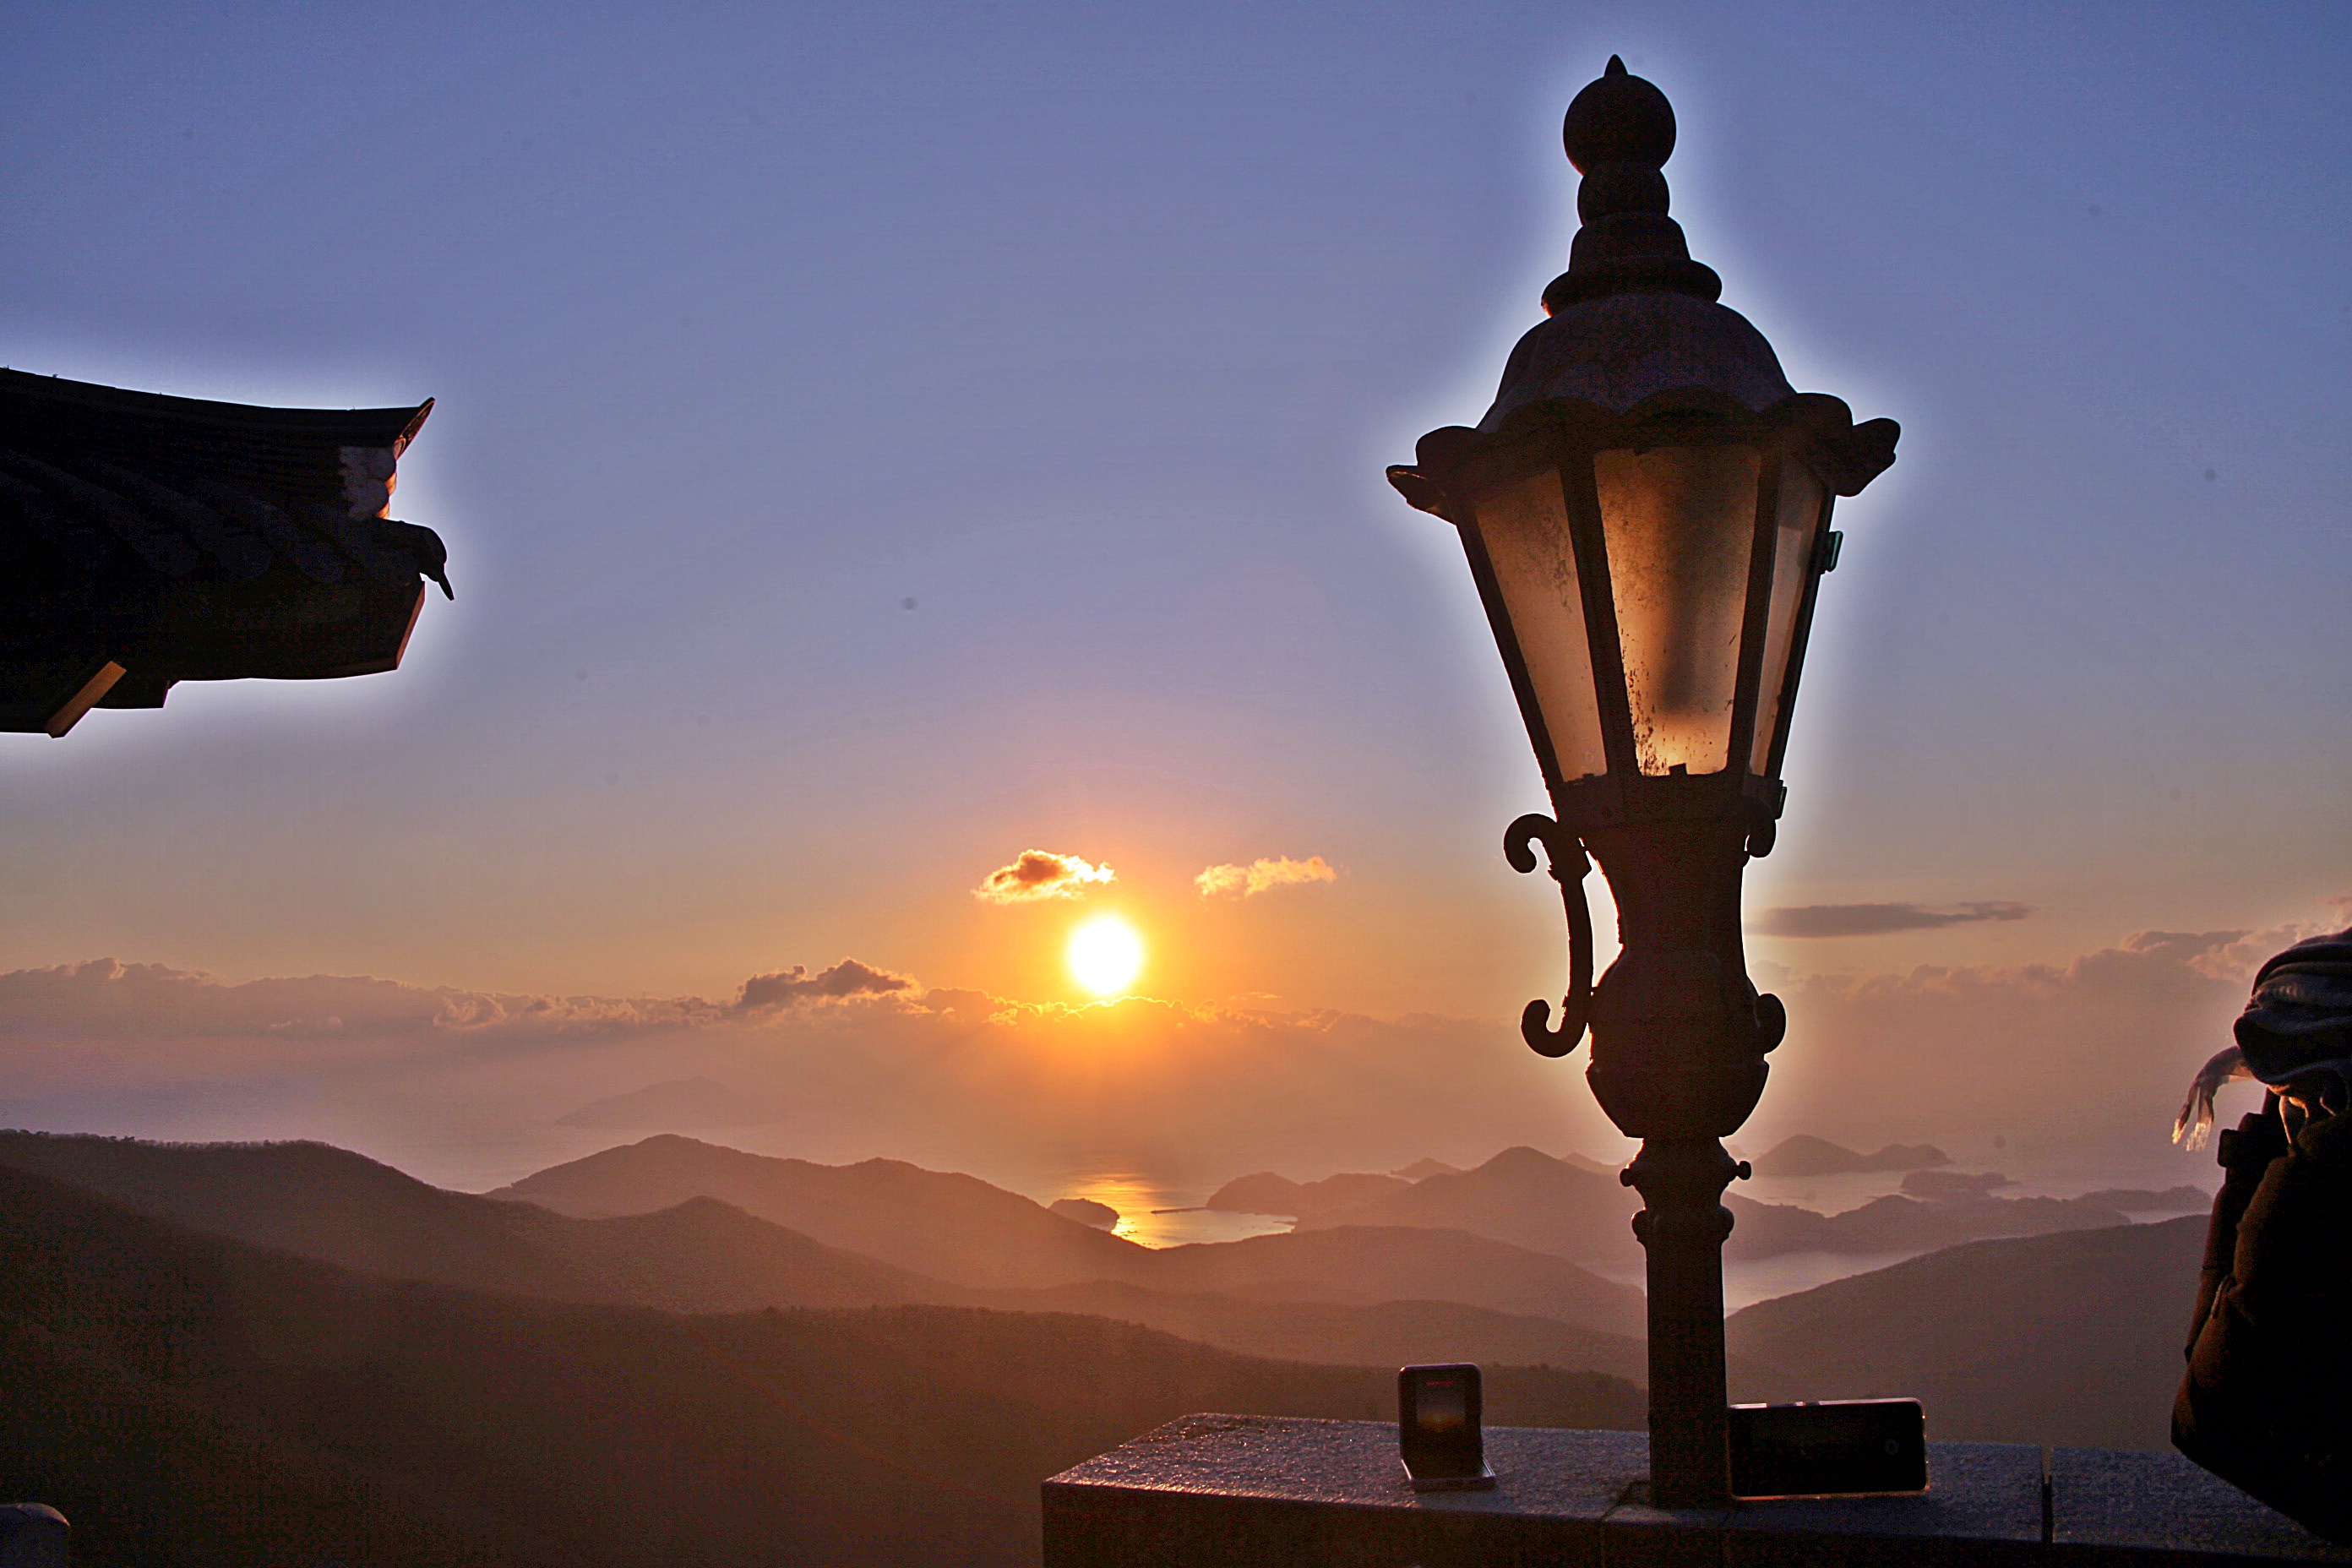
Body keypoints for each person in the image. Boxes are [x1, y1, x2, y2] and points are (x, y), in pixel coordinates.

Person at [2173, 928, 2352, 1543]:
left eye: (2289, 1095)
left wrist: (2255, 1179)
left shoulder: (2316, 1192)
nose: (2294, 1116)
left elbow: (2210, 1416)